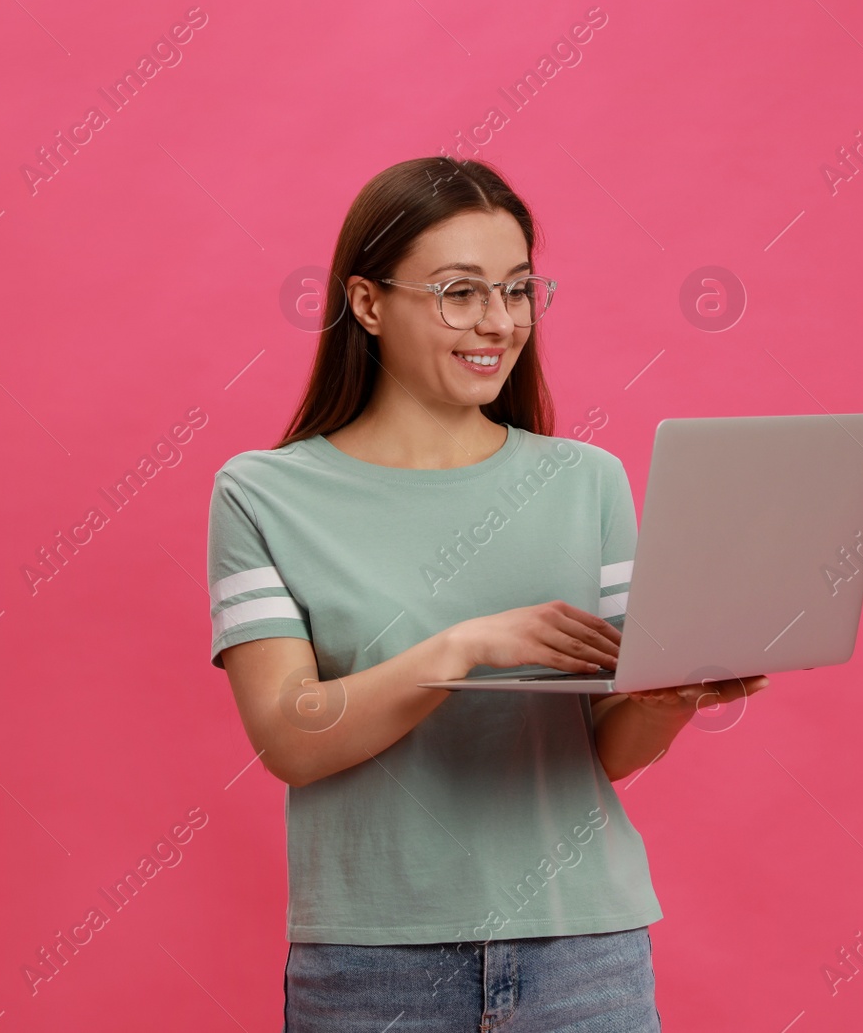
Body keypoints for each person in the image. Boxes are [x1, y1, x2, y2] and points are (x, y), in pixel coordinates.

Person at [206, 155, 769, 1031]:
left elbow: (607, 752)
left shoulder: (589, 482)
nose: (499, 323)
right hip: (373, 965)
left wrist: (671, 696)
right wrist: (459, 649)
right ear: (366, 303)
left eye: (517, 291)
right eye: (460, 292)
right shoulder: (263, 494)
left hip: (586, 953)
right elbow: (291, 739)